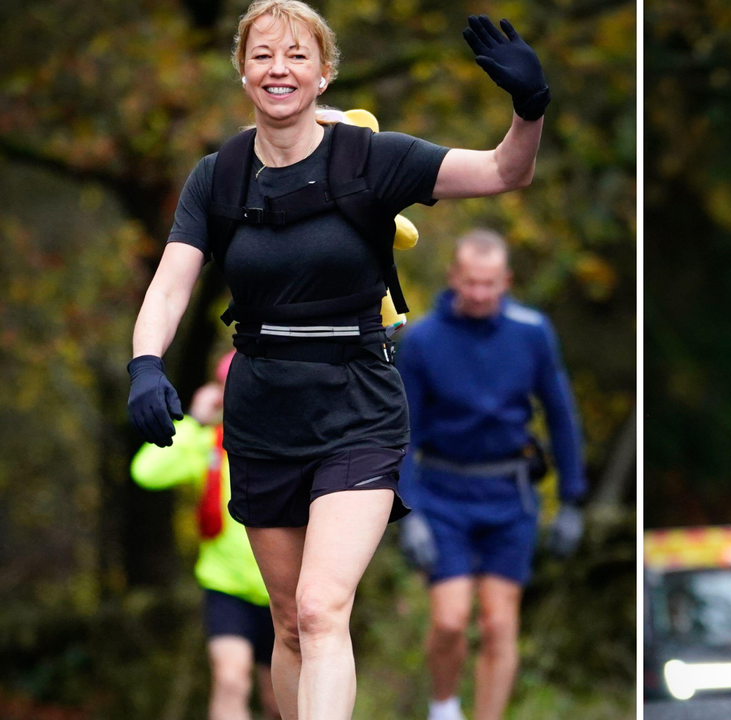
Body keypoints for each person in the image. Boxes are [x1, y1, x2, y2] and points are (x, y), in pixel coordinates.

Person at [124, 1, 548, 718]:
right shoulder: (218, 176)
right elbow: (171, 283)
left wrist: (529, 108)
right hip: (262, 410)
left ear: (324, 74)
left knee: (323, 608)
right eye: (262, 55)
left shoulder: (371, 159)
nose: (278, 69)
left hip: (357, 404)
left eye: (296, 55)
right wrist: (145, 363)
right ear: (243, 72)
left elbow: (505, 172)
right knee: (289, 620)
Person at [395, 229, 587, 720]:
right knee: (451, 620)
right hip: (442, 494)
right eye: (470, 282)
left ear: (506, 280)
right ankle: (443, 708)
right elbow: (403, 434)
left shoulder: (532, 332)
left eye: (490, 283)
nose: (479, 293)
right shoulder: (421, 341)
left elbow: (561, 416)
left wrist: (571, 501)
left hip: (510, 493)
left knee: (501, 624)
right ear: (453, 277)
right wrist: (408, 511)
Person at [131, 351, 281, 720]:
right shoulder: (208, 443)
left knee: (279, 700)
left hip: (282, 588)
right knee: (231, 680)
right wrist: (194, 421)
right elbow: (147, 472)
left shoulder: (288, 441)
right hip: (227, 588)